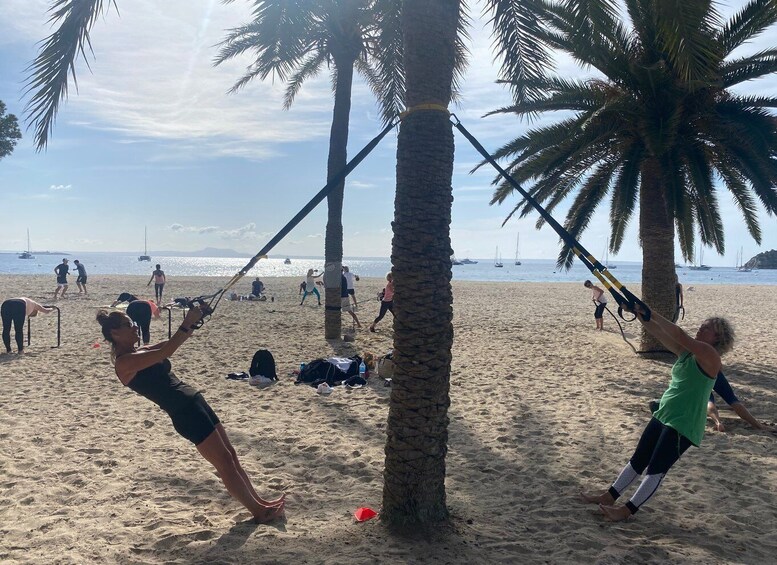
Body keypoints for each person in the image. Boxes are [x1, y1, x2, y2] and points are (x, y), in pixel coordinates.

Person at [95, 305, 285, 523]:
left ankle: (260, 503)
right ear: (115, 333)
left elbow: (172, 343)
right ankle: (258, 512)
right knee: (223, 462)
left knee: (230, 455)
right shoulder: (124, 363)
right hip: (184, 412)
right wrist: (186, 323)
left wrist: (194, 321)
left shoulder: (141, 351)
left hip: (194, 401)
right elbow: (167, 352)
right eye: (129, 325)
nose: (136, 327)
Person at [581, 307, 734, 521]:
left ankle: (626, 511)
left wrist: (651, 311)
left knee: (656, 469)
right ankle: (609, 497)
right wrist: (639, 313)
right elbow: (659, 332)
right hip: (665, 412)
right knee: (638, 459)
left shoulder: (710, 355)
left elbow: (678, 334)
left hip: (684, 423)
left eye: (708, 328)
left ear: (718, 338)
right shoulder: (687, 353)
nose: (701, 327)